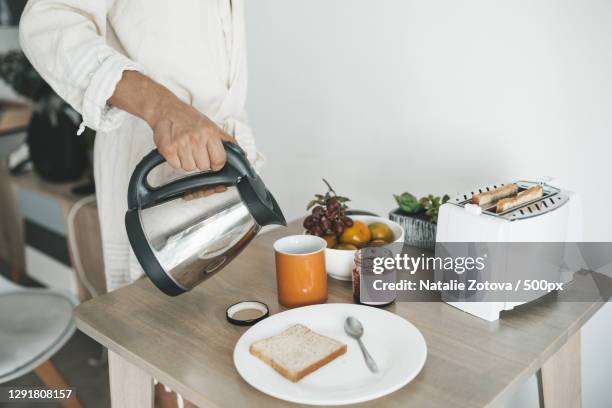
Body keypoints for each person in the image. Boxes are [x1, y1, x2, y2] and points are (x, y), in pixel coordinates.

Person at [19, 1, 261, 406]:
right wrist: (164, 109)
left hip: (217, 172)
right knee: (173, 360)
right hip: (152, 170)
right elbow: (46, 22)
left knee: (225, 355)